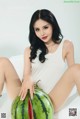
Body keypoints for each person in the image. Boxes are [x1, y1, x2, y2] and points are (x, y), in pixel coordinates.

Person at [0, 9, 80, 113]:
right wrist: (27, 78)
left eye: (45, 27)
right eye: (37, 29)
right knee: (2, 62)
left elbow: (72, 75)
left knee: (76, 69)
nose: (42, 33)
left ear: (53, 25)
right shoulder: (29, 50)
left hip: (49, 99)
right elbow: (27, 75)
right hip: (25, 97)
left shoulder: (66, 46)